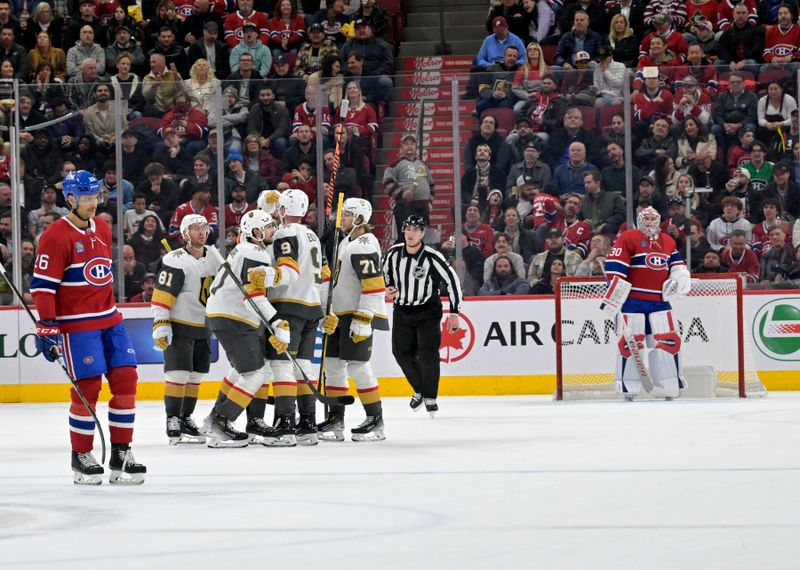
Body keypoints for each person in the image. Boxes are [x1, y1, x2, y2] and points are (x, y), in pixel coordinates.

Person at [29, 170, 146, 485]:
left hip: (110, 318)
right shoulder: (55, 235)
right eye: (84, 197)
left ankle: (122, 451)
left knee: (126, 378)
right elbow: (42, 286)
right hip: (77, 326)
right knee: (89, 386)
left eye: (94, 196)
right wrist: (47, 325)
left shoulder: (104, 228)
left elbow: (99, 275)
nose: (92, 203)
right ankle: (81, 454)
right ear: (70, 199)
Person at [202, 210, 290, 447]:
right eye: (269, 226)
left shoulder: (245, 250)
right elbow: (253, 296)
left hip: (224, 314)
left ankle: (212, 419)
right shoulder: (255, 253)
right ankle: (222, 421)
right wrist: (276, 322)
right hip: (234, 316)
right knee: (255, 374)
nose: (274, 230)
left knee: (239, 372)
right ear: (256, 232)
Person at [603, 206, 691, 400]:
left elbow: (678, 266)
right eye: (646, 219)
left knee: (668, 342)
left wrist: (680, 279)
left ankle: (670, 384)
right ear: (638, 220)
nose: (650, 222)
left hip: (660, 302)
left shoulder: (667, 241)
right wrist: (615, 299)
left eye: (653, 219)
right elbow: (615, 268)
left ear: (659, 221)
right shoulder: (628, 237)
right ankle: (629, 387)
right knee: (632, 344)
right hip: (632, 302)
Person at [261, 189, 327, 446]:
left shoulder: (284, 233)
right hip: (312, 305)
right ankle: (308, 424)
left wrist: (266, 275)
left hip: (288, 305)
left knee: (281, 366)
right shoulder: (312, 235)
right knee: (304, 365)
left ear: (284, 210)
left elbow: (285, 265)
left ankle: (285, 423)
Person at [319, 198, 389, 439]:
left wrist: (364, 318)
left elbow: (374, 286)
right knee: (333, 366)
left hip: (355, 315)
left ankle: (375, 419)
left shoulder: (365, 244)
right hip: (339, 315)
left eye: (347, 214)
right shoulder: (347, 242)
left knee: (359, 367)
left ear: (359, 219)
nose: (342, 219)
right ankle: (335, 420)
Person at [383, 215, 463, 416]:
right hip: (402, 310)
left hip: (427, 310)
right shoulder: (393, 254)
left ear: (422, 233)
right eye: (408, 229)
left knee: (428, 354)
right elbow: (384, 276)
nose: (411, 233)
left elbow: (452, 281)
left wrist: (454, 312)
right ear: (403, 231)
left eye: (416, 230)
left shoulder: (432, 256)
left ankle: (429, 396)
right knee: (400, 353)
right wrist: (387, 288)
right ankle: (419, 388)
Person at [152, 214, 221, 445]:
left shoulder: (214, 256)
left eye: (203, 227)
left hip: (205, 326)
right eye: (195, 228)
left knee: (195, 376)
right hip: (180, 325)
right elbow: (162, 294)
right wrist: (161, 322)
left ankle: (185, 418)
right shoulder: (176, 259)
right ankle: (172, 418)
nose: (201, 232)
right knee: (177, 374)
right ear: (185, 234)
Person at [383, 134, 435, 240]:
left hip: (422, 209)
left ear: (416, 147)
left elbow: (431, 185)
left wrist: (429, 201)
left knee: (420, 239)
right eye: (406, 144)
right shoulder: (395, 164)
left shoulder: (423, 165)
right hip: (405, 208)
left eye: (412, 143)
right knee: (405, 239)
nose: (410, 146)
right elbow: (387, 183)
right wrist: (402, 194)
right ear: (401, 148)